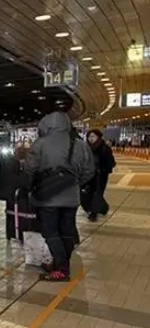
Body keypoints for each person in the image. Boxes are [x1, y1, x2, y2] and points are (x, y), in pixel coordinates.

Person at [25, 111, 95, 281]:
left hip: (48, 195)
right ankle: (59, 264)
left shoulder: (40, 144)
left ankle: (62, 269)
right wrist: (74, 183)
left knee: (50, 231)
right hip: (72, 197)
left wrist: (30, 187)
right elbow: (89, 171)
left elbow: (30, 169)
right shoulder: (80, 144)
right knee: (67, 230)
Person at [82, 129, 115, 221]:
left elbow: (111, 162)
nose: (91, 138)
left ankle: (93, 213)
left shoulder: (104, 148)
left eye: (93, 136)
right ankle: (103, 208)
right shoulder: (85, 148)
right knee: (86, 193)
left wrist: (104, 169)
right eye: (89, 136)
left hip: (100, 176)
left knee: (96, 194)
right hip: (88, 175)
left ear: (98, 137)